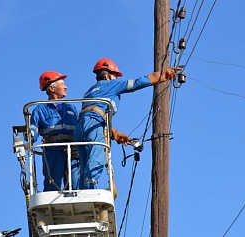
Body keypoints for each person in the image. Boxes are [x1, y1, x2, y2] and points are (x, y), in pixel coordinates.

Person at [74, 58, 178, 189]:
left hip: (80, 128)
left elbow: (90, 118)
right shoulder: (111, 84)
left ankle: (84, 191)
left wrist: (115, 134)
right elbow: (137, 83)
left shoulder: (89, 92)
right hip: (94, 124)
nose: (116, 79)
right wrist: (164, 75)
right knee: (97, 158)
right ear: (107, 75)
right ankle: (90, 191)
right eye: (115, 76)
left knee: (85, 164)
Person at [30, 71, 80, 192]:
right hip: (53, 150)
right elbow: (33, 129)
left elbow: (79, 128)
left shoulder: (71, 108)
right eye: (62, 83)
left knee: (75, 184)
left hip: (72, 150)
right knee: (52, 184)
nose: (66, 86)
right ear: (52, 88)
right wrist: (30, 135)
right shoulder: (40, 109)